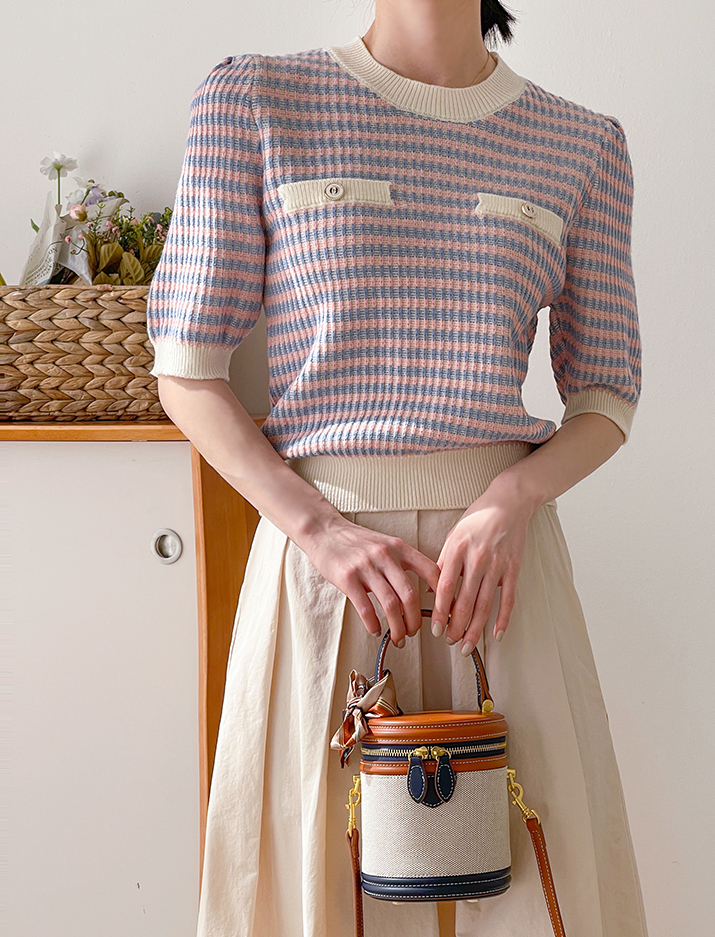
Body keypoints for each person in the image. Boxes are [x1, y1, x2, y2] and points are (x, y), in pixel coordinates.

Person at [145, 2, 649, 936]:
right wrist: (317, 528)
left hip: (497, 574)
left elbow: (607, 396)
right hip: (324, 566)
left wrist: (515, 495)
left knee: (543, 889)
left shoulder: (581, 144)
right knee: (314, 891)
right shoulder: (257, 101)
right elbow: (186, 370)